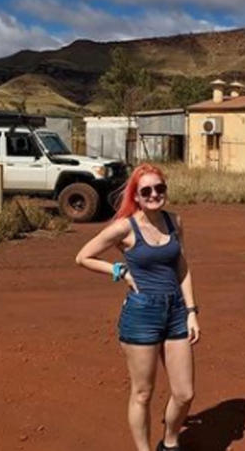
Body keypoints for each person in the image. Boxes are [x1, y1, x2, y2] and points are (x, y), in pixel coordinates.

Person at [75, 163, 201, 451]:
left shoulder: (174, 222)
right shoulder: (125, 227)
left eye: (160, 188)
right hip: (142, 313)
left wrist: (192, 311)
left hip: (176, 312)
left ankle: (169, 443)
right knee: (143, 393)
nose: (154, 194)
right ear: (137, 195)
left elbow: (182, 266)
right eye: (147, 190)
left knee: (184, 393)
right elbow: (83, 257)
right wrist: (120, 272)